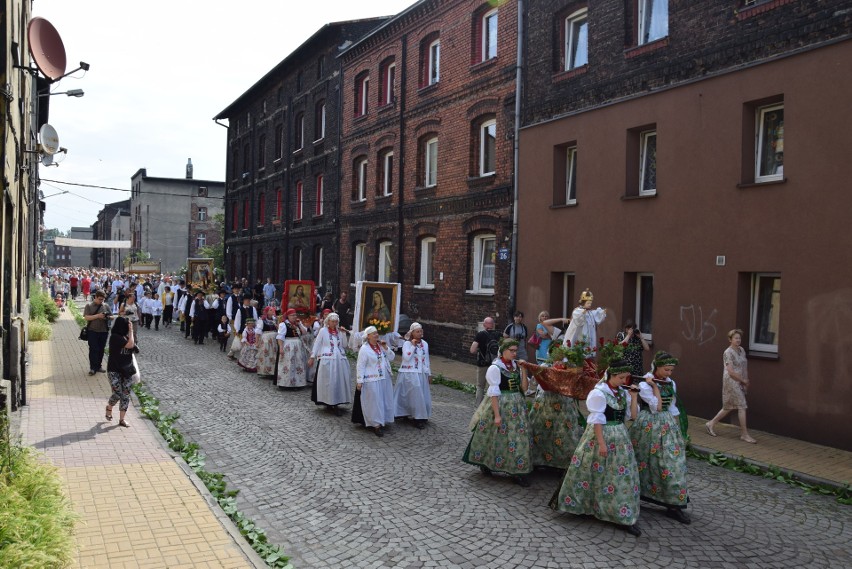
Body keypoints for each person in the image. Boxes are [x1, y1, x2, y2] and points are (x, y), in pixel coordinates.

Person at [551, 359, 642, 536]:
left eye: (626, 378)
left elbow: (633, 416)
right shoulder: (599, 393)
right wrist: (601, 443)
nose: (624, 381)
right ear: (611, 375)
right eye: (621, 378)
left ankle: (619, 513)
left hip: (620, 437)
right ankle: (585, 504)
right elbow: (596, 421)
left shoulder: (622, 393)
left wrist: (634, 397)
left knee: (619, 475)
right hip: (601, 436)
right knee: (592, 470)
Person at [629, 351, 690, 524]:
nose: (669, 374)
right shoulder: (645, 384)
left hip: (667, 425)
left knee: (672, 462)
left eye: (671, 370)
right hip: (649, 424)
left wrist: (678, 430)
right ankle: (639, 493)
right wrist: (655, 386)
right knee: (645, 460)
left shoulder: (671, 383)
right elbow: (656, 407)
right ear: (656, 367)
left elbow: (671, 407)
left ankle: (673, 503)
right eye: (666, 370)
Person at [462, 339, 533, 487]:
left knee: (517, 438)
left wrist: (524, 369)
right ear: (504, 350)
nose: (515, 353)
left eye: (515, 351)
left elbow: (524, 389)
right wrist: (497, 415)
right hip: (501, 404)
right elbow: (494, 393)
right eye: (512, 351)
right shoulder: (495, 368)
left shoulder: (516, 367)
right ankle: (487, 463)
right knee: (494, 437)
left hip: (517, 406)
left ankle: (517, 470)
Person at [705, 329, 756, 443]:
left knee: (728, 406)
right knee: (742, 406)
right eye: (735, 338)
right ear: (730, 339)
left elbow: (744, 366)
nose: (738, 340)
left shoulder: (741, 350)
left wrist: (746, 380)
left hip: (741, 380)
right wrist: (742, 380)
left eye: (739, 338)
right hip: (731, 381)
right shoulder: (727, 352)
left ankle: (710, 423)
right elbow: (731, 371)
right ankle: (744, 434)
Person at [352, 325, 396, 436]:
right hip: (372, 379)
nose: (377, 335)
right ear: (368, 336)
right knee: (375, 402)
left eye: (377, 333)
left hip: (384, 378)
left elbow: (392, 358)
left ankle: (383, 419)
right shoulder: (365, 349)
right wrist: (359, 380)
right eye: (374, 333)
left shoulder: (381, 346)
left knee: (383, 399)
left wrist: (386, 348)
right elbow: (360, 365)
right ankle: (376, 424)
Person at [309, 312, 351, 415]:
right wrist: (312, 356)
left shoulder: (339, 332)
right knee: (328, 381)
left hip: (339, 360)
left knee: (338, 381)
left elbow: (344, 345)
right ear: (328, 321)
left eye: (336, 321)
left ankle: (336, 402)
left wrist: (344, 333)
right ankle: (328, 401)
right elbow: (317, 343)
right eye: (332, 321)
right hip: (327, 359)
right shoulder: (323, 331)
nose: (334, 323)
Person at [393, 322, 432, 429]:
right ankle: (407, 413)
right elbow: (406, 357)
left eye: (421, 331)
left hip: (421, 373)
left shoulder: (425, 344)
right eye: (417, 332)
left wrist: (429, 373)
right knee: (411, 395)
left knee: (421, 395)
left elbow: (426, 359)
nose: (420, 333)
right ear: (412, 333)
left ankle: (420, 416)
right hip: (409, 374)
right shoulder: (407, 344)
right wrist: (413, 346)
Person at [105, 316, 136, 428]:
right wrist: (131, 331)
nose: (128, 327)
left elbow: (133, 346)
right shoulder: (114, 337)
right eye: (127, 325)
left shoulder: (126, 336)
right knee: (117, 393)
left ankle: (122, 419)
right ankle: (109, 406)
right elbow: (130, 345)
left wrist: (130, 333)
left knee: (126, 395)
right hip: (114, 370)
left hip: (126, 370)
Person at [470, 317, 502, 404]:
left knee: (480, 386)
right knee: (493, 386)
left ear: (484, 325)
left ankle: (478, 406)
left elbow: (472, 350)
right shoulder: (499, 335)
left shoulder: (480, 335)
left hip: (483, 364)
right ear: (493, 325)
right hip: (495, 365)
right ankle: (490, 406)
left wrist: (479, 350)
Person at [276, 308, 309, 388]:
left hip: (297, 346)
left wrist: (300, 324)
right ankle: (285, 383)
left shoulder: (297, 324)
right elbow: (280, 337)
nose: (294, 317)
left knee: (298, 364)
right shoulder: (283, 325)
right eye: (292, 315)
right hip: (288, 345)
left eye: (295, 315)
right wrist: (281, 348)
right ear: (288, 316)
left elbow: (304, 332)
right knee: (288, 364)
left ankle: (298, 383)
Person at [83, 290, 112, 376]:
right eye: (99, 299)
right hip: (92, 331)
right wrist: (97, 316)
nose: (101, 301)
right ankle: (93, 368)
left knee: (101, 349)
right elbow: (86, 317)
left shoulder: (106, 305)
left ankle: (99, 366)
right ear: (95, 297)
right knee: (93, 349)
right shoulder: (89, 305)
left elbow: (112, 316)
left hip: (103, 331)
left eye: (102, 299)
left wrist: (107, 317)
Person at [256, 305, 280, 377]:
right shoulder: (262, 320)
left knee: (274, 355)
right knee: (266, 354)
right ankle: (265, 371)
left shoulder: (275, 320)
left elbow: (279, 330)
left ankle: (273, 371)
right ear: (267, 312)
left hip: (274, 340)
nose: (272, 311)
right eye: (270, 310)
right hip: (266, 339)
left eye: (273, 310)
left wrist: (277, 325)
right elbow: (258, 332)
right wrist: (257, 342)